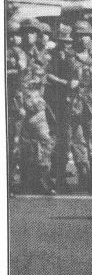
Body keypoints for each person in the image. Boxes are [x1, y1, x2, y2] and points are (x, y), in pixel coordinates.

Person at [48, 22, 92, 193]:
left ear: (91, 37)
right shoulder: (65, 56)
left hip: (91, 104)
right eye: (78, 35)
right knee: (73, 142)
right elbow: (49, 74)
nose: (82, 38)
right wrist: (66, 83)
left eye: (85, 35)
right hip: (71, 104)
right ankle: (79, 175)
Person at [15, 18, 55, 194]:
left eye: (32, 32)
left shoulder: (42, 57)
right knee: (20, 146)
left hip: (37, 107)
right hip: (17, 108)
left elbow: (44, 81)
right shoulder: (14, 54)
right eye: (25, 32)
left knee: (44, 141)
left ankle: (42, 179)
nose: (28, 35)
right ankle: (22, 180)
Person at [7, 21, 26, 192]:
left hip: (17, 102)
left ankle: (11, 180)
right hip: (7, 100)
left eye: (17, 35)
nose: (14, 38)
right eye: (11, 35)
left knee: (15, 143)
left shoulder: (22, 53)